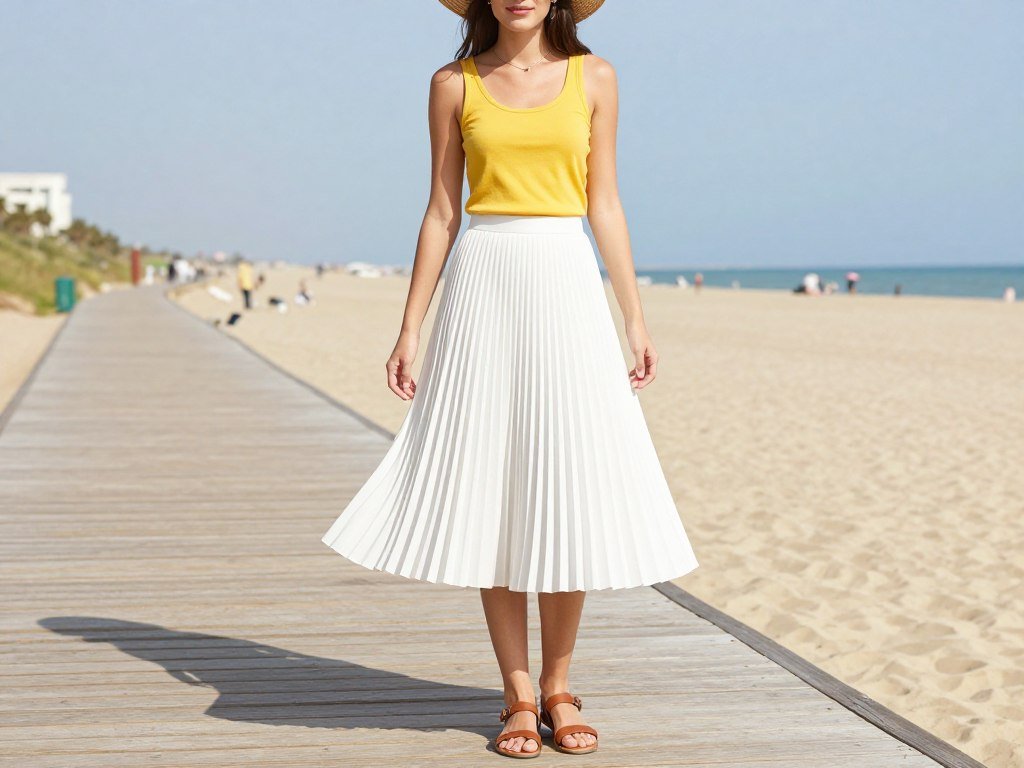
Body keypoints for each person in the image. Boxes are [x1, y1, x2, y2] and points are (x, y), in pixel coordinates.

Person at [319, 0, 699, 758]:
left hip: (566, 281)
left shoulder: (595, 77)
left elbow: (605, 203)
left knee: (567, 483)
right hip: (483, 284)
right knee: (491, 486)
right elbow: (441, 212)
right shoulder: (452, 83)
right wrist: (409, 327)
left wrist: (633, 317)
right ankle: (518, 694)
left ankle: (560, 685)